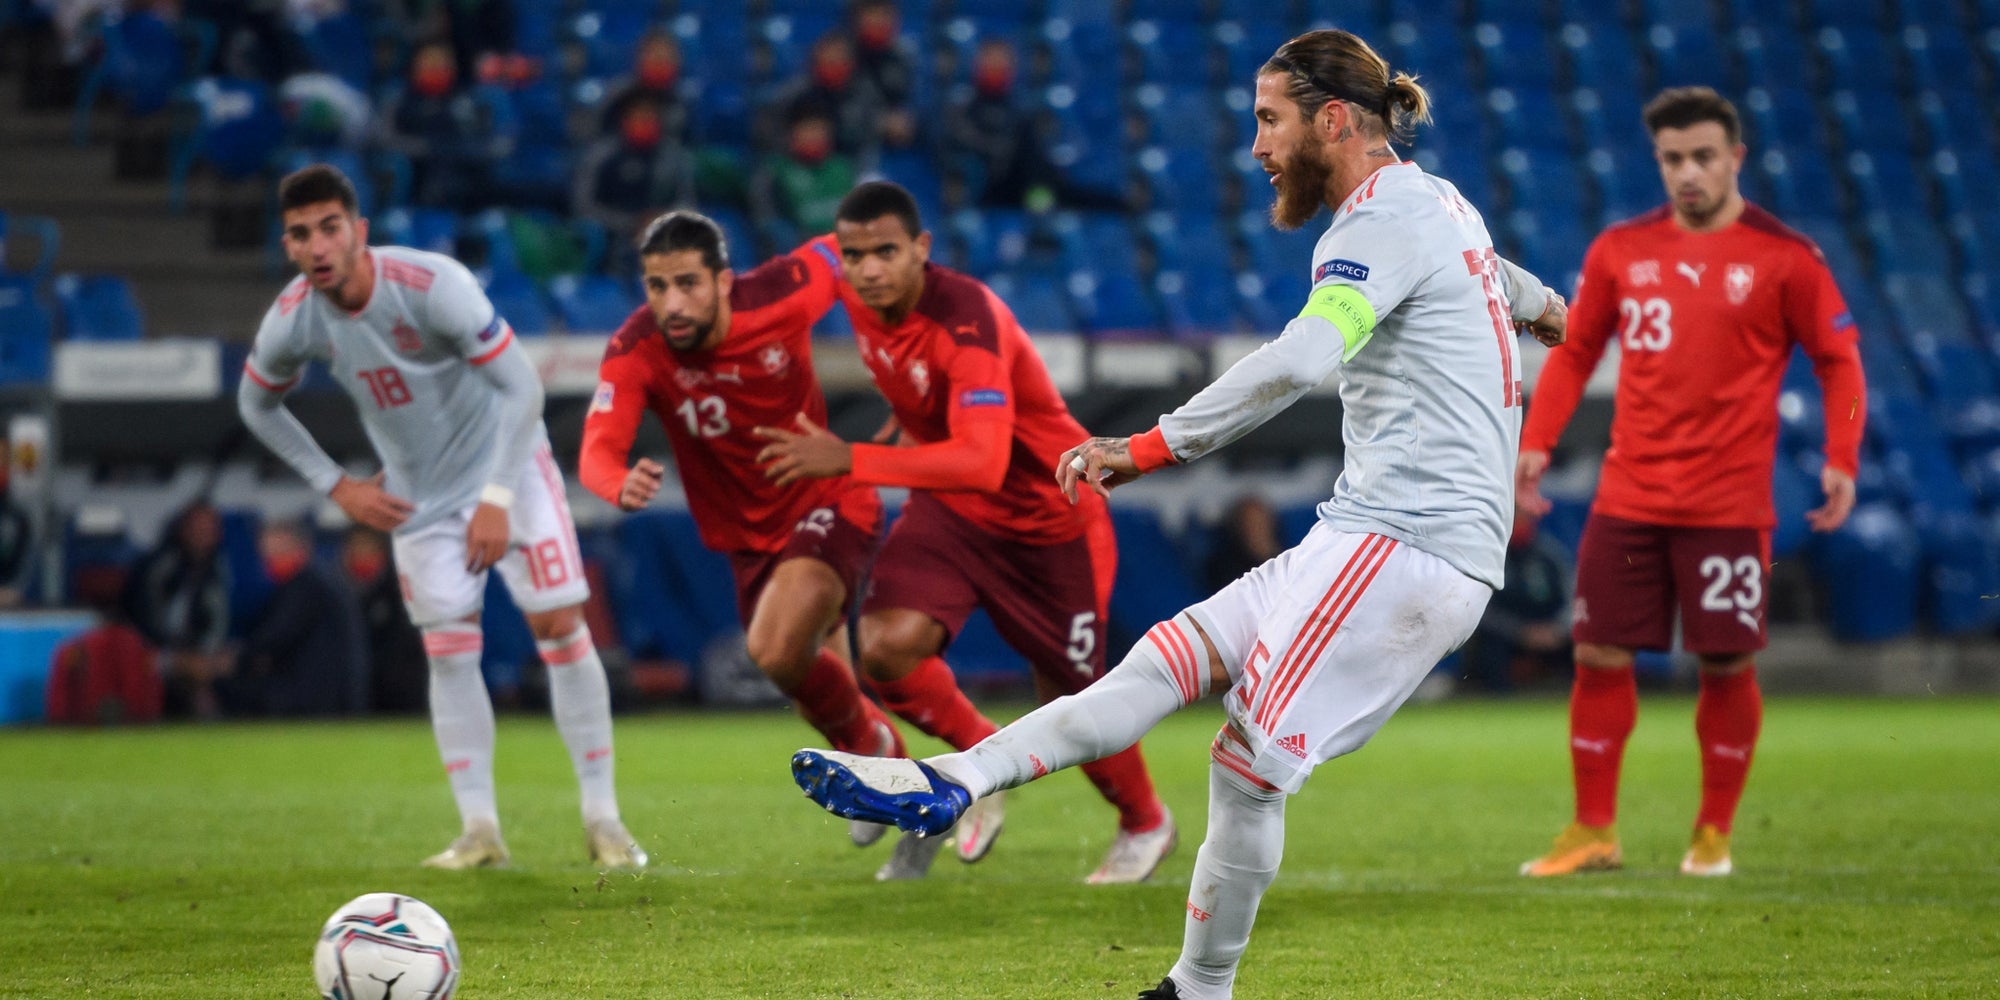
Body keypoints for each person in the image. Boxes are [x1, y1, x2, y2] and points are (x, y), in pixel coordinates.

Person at [783, 31, 1567, 999]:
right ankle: (952, 782)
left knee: (1244, 763)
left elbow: (1299, 361)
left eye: (1268, 120)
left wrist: (1144, 446)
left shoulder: (1376, 224)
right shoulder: (1433, 203)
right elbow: (1495, 274)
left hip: (1407, 547)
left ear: (1332, 120)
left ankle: (1197, 987)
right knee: (1161, 658)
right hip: (1362, 534)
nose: (1254, 147)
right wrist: (1551, 310)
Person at [753, 181, 1177, 884]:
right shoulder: (852, 286)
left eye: (886, 252)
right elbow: (769, 294)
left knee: (1073, 701)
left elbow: (982, 461)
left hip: (1051, 518)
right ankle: (981, 768)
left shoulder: (966, 320)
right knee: (885, 648)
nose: (869, 269)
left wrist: (850, 458)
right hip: (949, 512)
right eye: (853, 255)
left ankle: (1145, 822)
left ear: (922, 248)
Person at [236, 163, 645, 870]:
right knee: (448, 649)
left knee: (559, 624)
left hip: (510, 469)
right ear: (290, 246)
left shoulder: (432, 286)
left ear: (358, 231)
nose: (319, 245)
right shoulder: (292, 318)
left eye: (331, 227)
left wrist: (496, 498)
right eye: (302, 234)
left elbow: (522, 388)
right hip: (418, 499)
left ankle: (604, 819)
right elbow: (255, 403)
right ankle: (479, 831)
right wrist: (336, 486)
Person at [1515, 87, 1866, 879]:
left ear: (1735, 158)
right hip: (1629, 495)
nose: (1688, 173)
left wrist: (1842, 457)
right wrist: (1536, 438)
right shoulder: (1620, 250)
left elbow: (1840, 359)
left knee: (1725, 664)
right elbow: (1574, 351)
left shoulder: (1785, 257)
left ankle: (1712, 834)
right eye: (1673, 159)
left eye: (1703, 156)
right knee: (1598, 652)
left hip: (1727, 504)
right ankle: (1592, 830)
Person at [577, 210, 934, 869]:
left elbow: (866, 256)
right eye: (656, 287)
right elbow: (597, 448)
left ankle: (876, 752)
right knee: (806, 686)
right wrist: (615, 481)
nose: (672, 303)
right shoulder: (637, 348)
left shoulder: (781, 291)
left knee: (771, 649)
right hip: (748, 539)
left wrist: (917, 377)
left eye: (687, 283)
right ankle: (912, 803)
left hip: (828, 500)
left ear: (723, 279)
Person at [218, 520, 368, 716]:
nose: (272, 560)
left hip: (317, 694)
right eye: (267, 555)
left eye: (279, 552)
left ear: (301, 547)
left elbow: (276, 636)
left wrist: (234, 659)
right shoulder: (317, 580)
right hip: (323, 688)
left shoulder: (308, 585)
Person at [123, 500, 233, 719]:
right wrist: (177, 654)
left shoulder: (217, 570)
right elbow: (145, 619)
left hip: (196, 651)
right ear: (183, 530)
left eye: (209, 530)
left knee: (222, 665)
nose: (203, 535)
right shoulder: (159, 566)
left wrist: (209, 653)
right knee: (188, 673)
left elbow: (218, 619)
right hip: (151, 649)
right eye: (197, 529)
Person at [1461, 508, 1574, 692]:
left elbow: (1572, 598)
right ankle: (1496, 697)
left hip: (1550, 630)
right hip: (1510, 632)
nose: (1520, 524)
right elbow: (1482, 609)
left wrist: (1558, 628)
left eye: (1524, 518)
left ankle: (1567, 692)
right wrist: (1520, 631)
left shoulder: (1550, 555)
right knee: (1490, 645)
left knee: (1580, 643)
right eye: (1515, 519)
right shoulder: (1492, 558)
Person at [341, 525, 428, 713]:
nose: (361, 555)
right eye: (356, 548)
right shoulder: (337, 590)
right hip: (354, 679)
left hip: (400, 682)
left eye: (367, 548)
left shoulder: (399, 591)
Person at [1201, 496, 1283, 593]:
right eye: (1252, 524)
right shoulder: (1226, 570)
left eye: (1261, 523)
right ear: (1240, 529)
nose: (1259, 530)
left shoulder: (1285, 558)